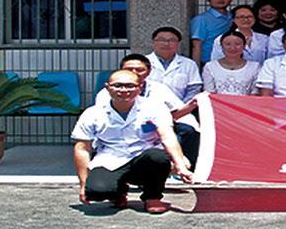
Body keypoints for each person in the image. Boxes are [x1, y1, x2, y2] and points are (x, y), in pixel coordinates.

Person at [72, 69, 194, 214]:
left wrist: (180, 166)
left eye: (130, 86)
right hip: (110, 159)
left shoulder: (155, 108)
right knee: (96, 192)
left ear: (140, 87)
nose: (124, 90)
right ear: (107, 87)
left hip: (144, 158)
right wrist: (83, 184)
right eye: (117, 86)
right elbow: (82, 149)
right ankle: (117, 193)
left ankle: (153, 196)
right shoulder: (92, 113)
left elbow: (168, 137)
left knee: (158, 157)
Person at [94, 54, 199, 168]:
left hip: (155, 126)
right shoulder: (106, 93)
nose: (134, 72)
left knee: (187, 130)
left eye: (139, 70)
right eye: (129, 69)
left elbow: (175, 112)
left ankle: (186, 166)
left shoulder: (159, 88)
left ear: (149, 72)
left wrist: (192, 105)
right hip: (119, 131)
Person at [145, 26, 202, 104]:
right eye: (161, 40)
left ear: (178, 43)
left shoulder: (189, 64)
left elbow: (194, 89)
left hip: (181, 107)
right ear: (153, 42)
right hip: (147, 107)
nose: (166, 43)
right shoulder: (142, 62)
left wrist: (183, 107)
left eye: (171, 40)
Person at [202, 30, 262, 95]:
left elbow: (255, 93)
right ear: (222, 46)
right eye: (228, 44)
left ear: (244, 46)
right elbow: (209, 93)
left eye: (237, 44)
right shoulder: (210, 67)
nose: (233, 48)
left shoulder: (254, 67)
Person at [188, 0, 234, 64]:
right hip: (208, 63)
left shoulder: (233, 17)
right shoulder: (201, 20)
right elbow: (196, 46)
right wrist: (196, 68)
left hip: (230, 62)